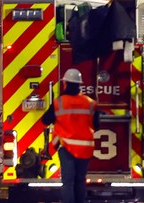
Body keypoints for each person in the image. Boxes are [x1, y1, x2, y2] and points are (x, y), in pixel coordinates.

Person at [43, 68, 100, 203]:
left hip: (66, 148)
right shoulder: (90, 103)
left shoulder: (59, 102)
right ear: (80, 84)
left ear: (66, 84)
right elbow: (96, 125)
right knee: (80, 181)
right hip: (85, 148)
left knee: (68, 182)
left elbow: (45, 120)